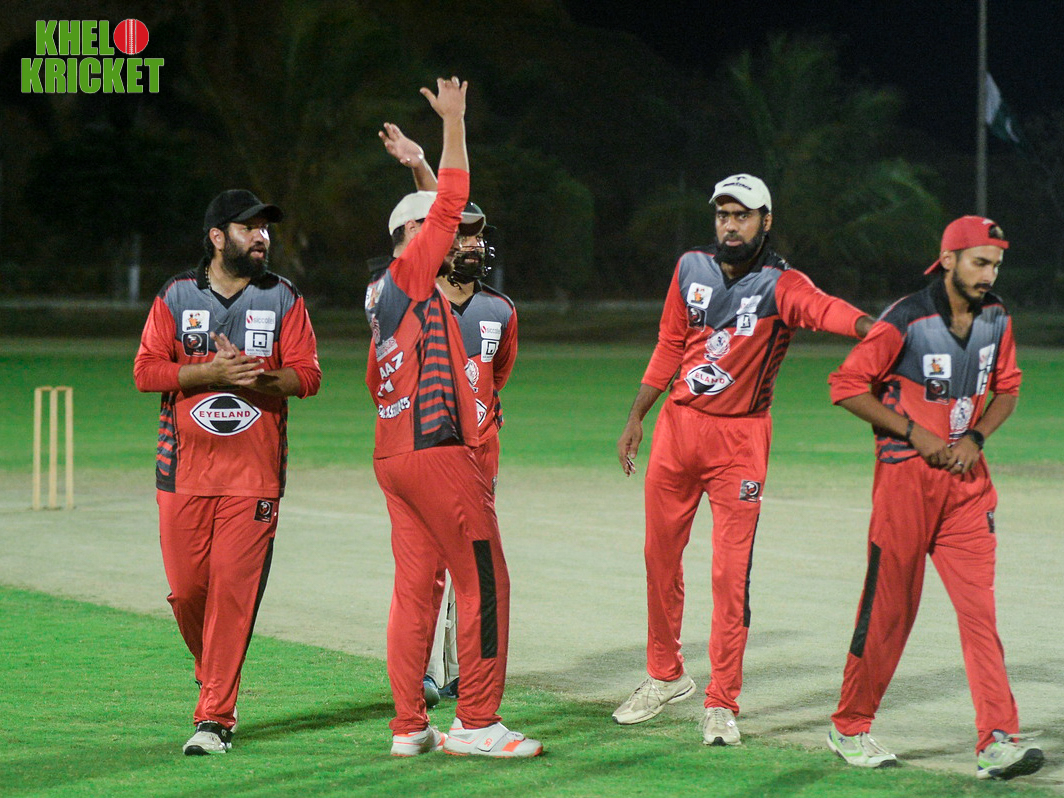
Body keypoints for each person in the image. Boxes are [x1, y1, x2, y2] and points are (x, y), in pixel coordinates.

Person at [613, 174, 874, 745]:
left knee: (729, 577)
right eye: (723, 215)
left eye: (742, 216)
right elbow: (669, 343)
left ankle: (721, 701)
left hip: (740, 443)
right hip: (677, 431)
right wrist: (638, 415)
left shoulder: (783, 285)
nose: (730, 226)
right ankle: (665, 675)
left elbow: (827, 311)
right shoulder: (690, 268)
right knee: (660, 558)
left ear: (765, 221)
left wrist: (875, 331)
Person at [824, 216, 1043, 781]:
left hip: (967, 489)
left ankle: (997, 740)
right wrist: (913, 433)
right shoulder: (905, 319)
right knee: (890, 613)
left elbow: (1008, 388)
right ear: (948, 260)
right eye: (979, 262)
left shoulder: (997, 317)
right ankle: (849, 726)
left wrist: (976, 438)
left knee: (980, 614)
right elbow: (845, 385)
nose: (989, 274)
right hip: (905, 484)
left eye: (996, 265)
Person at [366, 76, 540, 758]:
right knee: (485, 582)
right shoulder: (414, 274)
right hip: (440, 452)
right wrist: (454, 122)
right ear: (414, 235)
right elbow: (454, 194)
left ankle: (410, 727)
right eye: (436, 223)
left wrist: (417, 166)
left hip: (395, 453)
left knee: (415, 593)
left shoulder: (386, 290)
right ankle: (476, 723)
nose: (453, 230)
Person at [133, 189, 322, 755]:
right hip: (182, 474)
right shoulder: (176, 295)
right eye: (249, 228)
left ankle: (214, 716)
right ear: (217, 237)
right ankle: (214, 669)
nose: (262, 237)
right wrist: (210, 372)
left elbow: (308, 376)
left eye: (265, 229)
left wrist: (256, 378)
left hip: (254, 478)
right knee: (190, 591)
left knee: (233, 598)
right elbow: (145, 371)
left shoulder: (284, 297)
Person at [379, 123, 518, 707]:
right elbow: (440, 210)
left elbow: (496, 374)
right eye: (462, 234)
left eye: (478, 235)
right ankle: (429, 675)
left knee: (470, 571)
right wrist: (421, 167)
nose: (471, 243)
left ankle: (460, 673)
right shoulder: (412, 295)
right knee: (428, 571)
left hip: (479, 448)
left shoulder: (498, 309)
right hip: (428, 447)